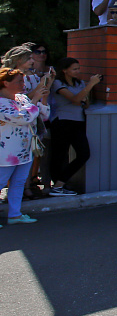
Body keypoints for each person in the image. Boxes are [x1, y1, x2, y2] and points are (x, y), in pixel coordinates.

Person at [0, 67, 50, 225]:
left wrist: (43, 99)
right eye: (19, 81)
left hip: (25, 149)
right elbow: (23, 117)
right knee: (1, 183)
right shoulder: (1, 103)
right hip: (5, 151)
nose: (24, 84)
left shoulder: (22, 98)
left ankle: (15, 215)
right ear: (5, 83)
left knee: (19, 182)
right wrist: (35, 100)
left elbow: (44, 115)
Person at [49, 58, 102, 195]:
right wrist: (90, 85)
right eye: (74, 69)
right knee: (59, 155)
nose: (78, 71)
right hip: (62, 122)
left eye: (78, 68)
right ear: (64, 70)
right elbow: (75, 99)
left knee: (84, 153)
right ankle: (56, 185)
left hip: (78, 121)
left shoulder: (80, 83)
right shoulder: (58, 83)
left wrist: (84, 93)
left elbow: (85, 103)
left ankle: (60, 183)